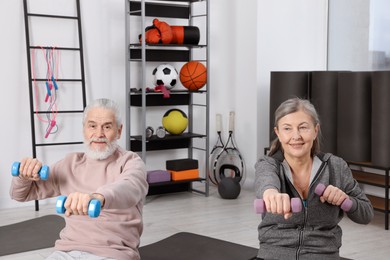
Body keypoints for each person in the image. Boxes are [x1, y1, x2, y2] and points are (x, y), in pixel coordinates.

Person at [10, 98, 148, 260]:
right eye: (92, 126)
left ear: (119, 131)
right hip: (66, 252)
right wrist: (24, 176)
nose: (99, 134)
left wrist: (98, 197)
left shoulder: (131, 162)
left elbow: (129, 187)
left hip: (113, 253)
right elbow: (21, 195)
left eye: (107, 127)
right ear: (84, 129)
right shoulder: (70, 164)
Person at [254, 97, 374, 259]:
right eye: (287, 129)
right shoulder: (268, 164)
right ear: (278, 133)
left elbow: (366, 214)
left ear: (315, 130)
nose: (296, 136)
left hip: (322, 254)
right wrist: (271, 194)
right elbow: (266, 181)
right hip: (276, 252)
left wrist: (346, 200)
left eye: (303, 127)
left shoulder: (335, 167)